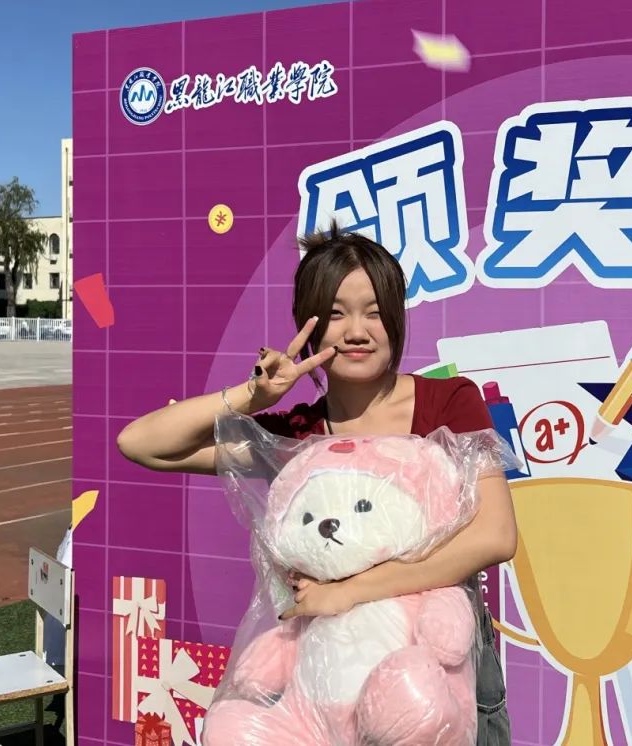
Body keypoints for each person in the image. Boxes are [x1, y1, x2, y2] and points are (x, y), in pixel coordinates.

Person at [116, 225, 517, 745]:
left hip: (436, 678)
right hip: (327, 681)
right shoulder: (296, 436)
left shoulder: (449, 402)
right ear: (307, 324)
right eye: (335, 314)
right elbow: (143, 443)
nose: (357, 331)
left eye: (375, 312)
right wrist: (253, 396)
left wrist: (349, 592)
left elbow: (495, 535)